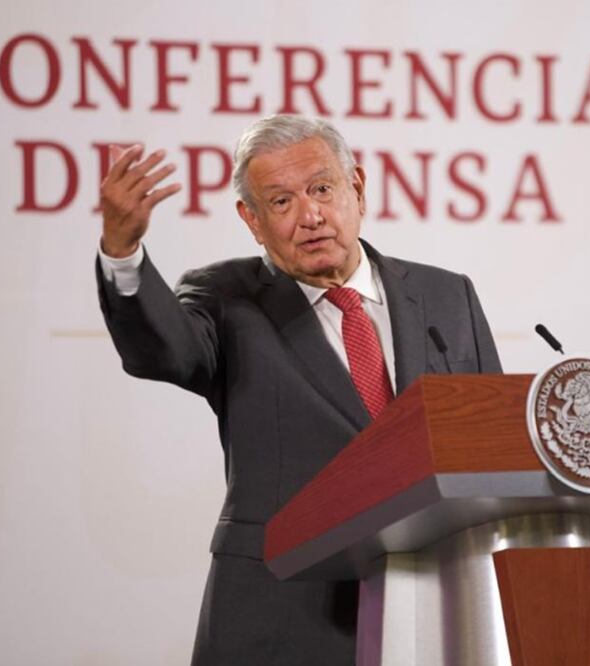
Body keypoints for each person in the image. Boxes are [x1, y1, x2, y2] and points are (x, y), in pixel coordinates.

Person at [94, 114, 502, 664]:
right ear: (253, 221)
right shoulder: (227, 298)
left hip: (441, 606)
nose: (310, 216)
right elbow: (164, 350)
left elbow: (493, 446)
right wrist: (123, 253)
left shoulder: (447, 296)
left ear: (356, 188)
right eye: (281, 202)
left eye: (322, 189)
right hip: (282, 616)